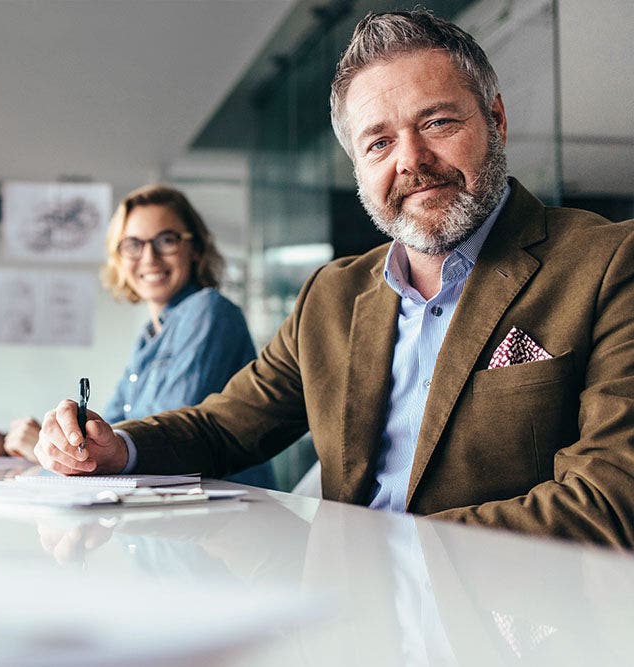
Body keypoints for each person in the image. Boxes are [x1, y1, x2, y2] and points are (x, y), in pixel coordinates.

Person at [32, 11, 634, 547]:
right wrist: (119, 447)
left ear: (496, 120)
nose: (411, 160)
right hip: (354, 621)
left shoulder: (606, 263)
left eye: (439, 122)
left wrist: (376, 551)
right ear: (357, 166)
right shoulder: (331, 295)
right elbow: (224, 426)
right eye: (378, 143)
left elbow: (613, 498)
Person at [0, 184, 276, 488]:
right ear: (119, 258)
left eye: (166, 240)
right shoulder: (150, 334)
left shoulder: (208, 311)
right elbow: (113, 431)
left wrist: (51, 442)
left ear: (194, 248)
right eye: (133, 244)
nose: (149, 258)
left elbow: (167, 434)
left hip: (228, 515)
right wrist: (22, 442)